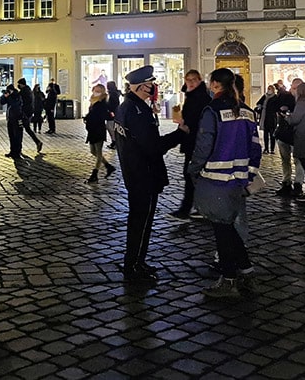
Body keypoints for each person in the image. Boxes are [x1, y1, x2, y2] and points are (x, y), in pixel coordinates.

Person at [190, 68, 262, 299]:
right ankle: (246, 271)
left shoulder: (213, 111)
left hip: (215, 178)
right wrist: (249, 174)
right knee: (228, 227)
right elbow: (255, 147)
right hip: (238, 179)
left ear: (214, 85)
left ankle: (229, 278)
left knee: (222, 229)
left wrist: (193, 169)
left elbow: (204, 145)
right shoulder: (247, 112)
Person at [114, 65, 179, 283]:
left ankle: (136, 262)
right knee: (141, 222)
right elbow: (152, 146)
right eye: (150, 83)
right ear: (141, 86)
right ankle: (133, 266)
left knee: (139, 220)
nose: (153, 87)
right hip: (143, 173)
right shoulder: (137, 110)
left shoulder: (128, 107)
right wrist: (180, 134)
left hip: (136, 173)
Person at [170, 70, 213, 220]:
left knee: (191, 174)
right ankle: (197, 208)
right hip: (192, 140)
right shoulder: (192, 95)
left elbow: (199, 119)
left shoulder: (199, 97)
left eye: (194, 79)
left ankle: (188, 208)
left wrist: (187, 125)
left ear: (200, 80)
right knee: (192, 174)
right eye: (188, 80)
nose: (191, 82)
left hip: (196, 141)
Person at [274, 80, 304, 197]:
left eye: (297, 88)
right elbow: (275, 107)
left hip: (297, 134)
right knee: (285, 160)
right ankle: (286, 182)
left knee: (298, 160)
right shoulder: (284, 96)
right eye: (294, 87)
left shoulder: (304, 101)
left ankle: (298, 184)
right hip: (283, 133)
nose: (295, 90)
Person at [84, 84, 115, 184]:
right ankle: (108, 166)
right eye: (95, 90)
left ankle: (94, 175)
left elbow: (103, 115)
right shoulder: (92, 101)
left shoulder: (102, 102)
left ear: (102, 92)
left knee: (98, 151)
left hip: (98, 128)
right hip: (91, 129)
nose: (96, 92)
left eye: (98, 90)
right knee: (93, 151)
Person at [15, 78, 43, 153]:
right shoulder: (29, 90)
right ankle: (37, 142)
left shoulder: (24, 91)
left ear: (22, 84)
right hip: (28, 113)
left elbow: (20, 99)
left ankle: (19, 148)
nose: (18, 86)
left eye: (19, 84)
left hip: (25, 113)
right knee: (27, 129)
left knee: (22, 129)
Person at [1, 84, 24, 158]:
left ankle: (17, 151)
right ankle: (12, 151)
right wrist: (4, 96)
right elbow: (2, 102)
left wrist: (9, 97)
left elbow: (14, 104)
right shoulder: (10, 96)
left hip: (17, 118)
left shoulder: (17, 96)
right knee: (11, 136)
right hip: (10, 118)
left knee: (17, 135)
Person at [255, 85, 278, 154]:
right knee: (265, 133)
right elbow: (259, 102)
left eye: (270, 89)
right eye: (268, 89)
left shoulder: (275, 97)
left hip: (272, 117)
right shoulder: (265, 96)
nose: (269, 90)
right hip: (264, 116)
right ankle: (266, 148)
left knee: (272, 134)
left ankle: (272, 149)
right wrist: (260, 106)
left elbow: (276, 106)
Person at [105, 80, 122, 149]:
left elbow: (114, 104)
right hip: (111, 113)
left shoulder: (113, 94)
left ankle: (115, 142)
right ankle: (114, 141)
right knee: (110, 127)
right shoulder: (112, 93)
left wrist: (111, 110)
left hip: (112, 113)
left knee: (110, 127)